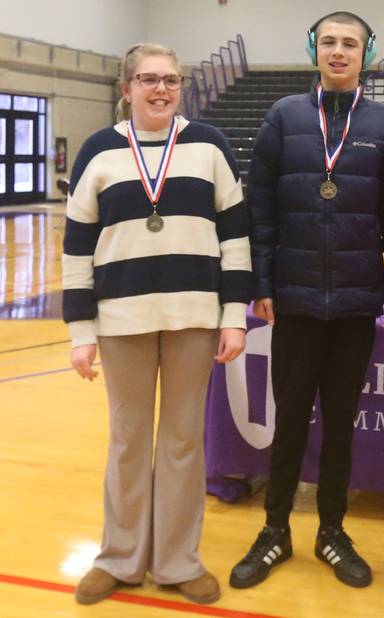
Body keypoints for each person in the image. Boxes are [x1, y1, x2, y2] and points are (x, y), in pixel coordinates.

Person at [229, 11, 384, 590]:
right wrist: (262, 284)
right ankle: (275, 529)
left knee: (340, 424)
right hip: (294, 301)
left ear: (367, 54)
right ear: (314, 49)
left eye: (350, 44)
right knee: (290, 421)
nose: (339, 52)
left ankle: (332, 531)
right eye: (330, 42)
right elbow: (260, 211)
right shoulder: (283, 117)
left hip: (356, 306)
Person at [62, 43, 251, 605]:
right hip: (121, 319)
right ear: (127, 88)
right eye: (148, 79)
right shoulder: (98, 150)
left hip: (194, 316)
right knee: (128, 440)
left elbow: (235, 236)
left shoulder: (210, 145)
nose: (161, 89)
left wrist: (234, 316)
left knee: (183, 440)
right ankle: (118, 558)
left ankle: (177, 561)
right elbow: (77, 247)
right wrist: (80, 332)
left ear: (181, 87)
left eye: (170, 79)